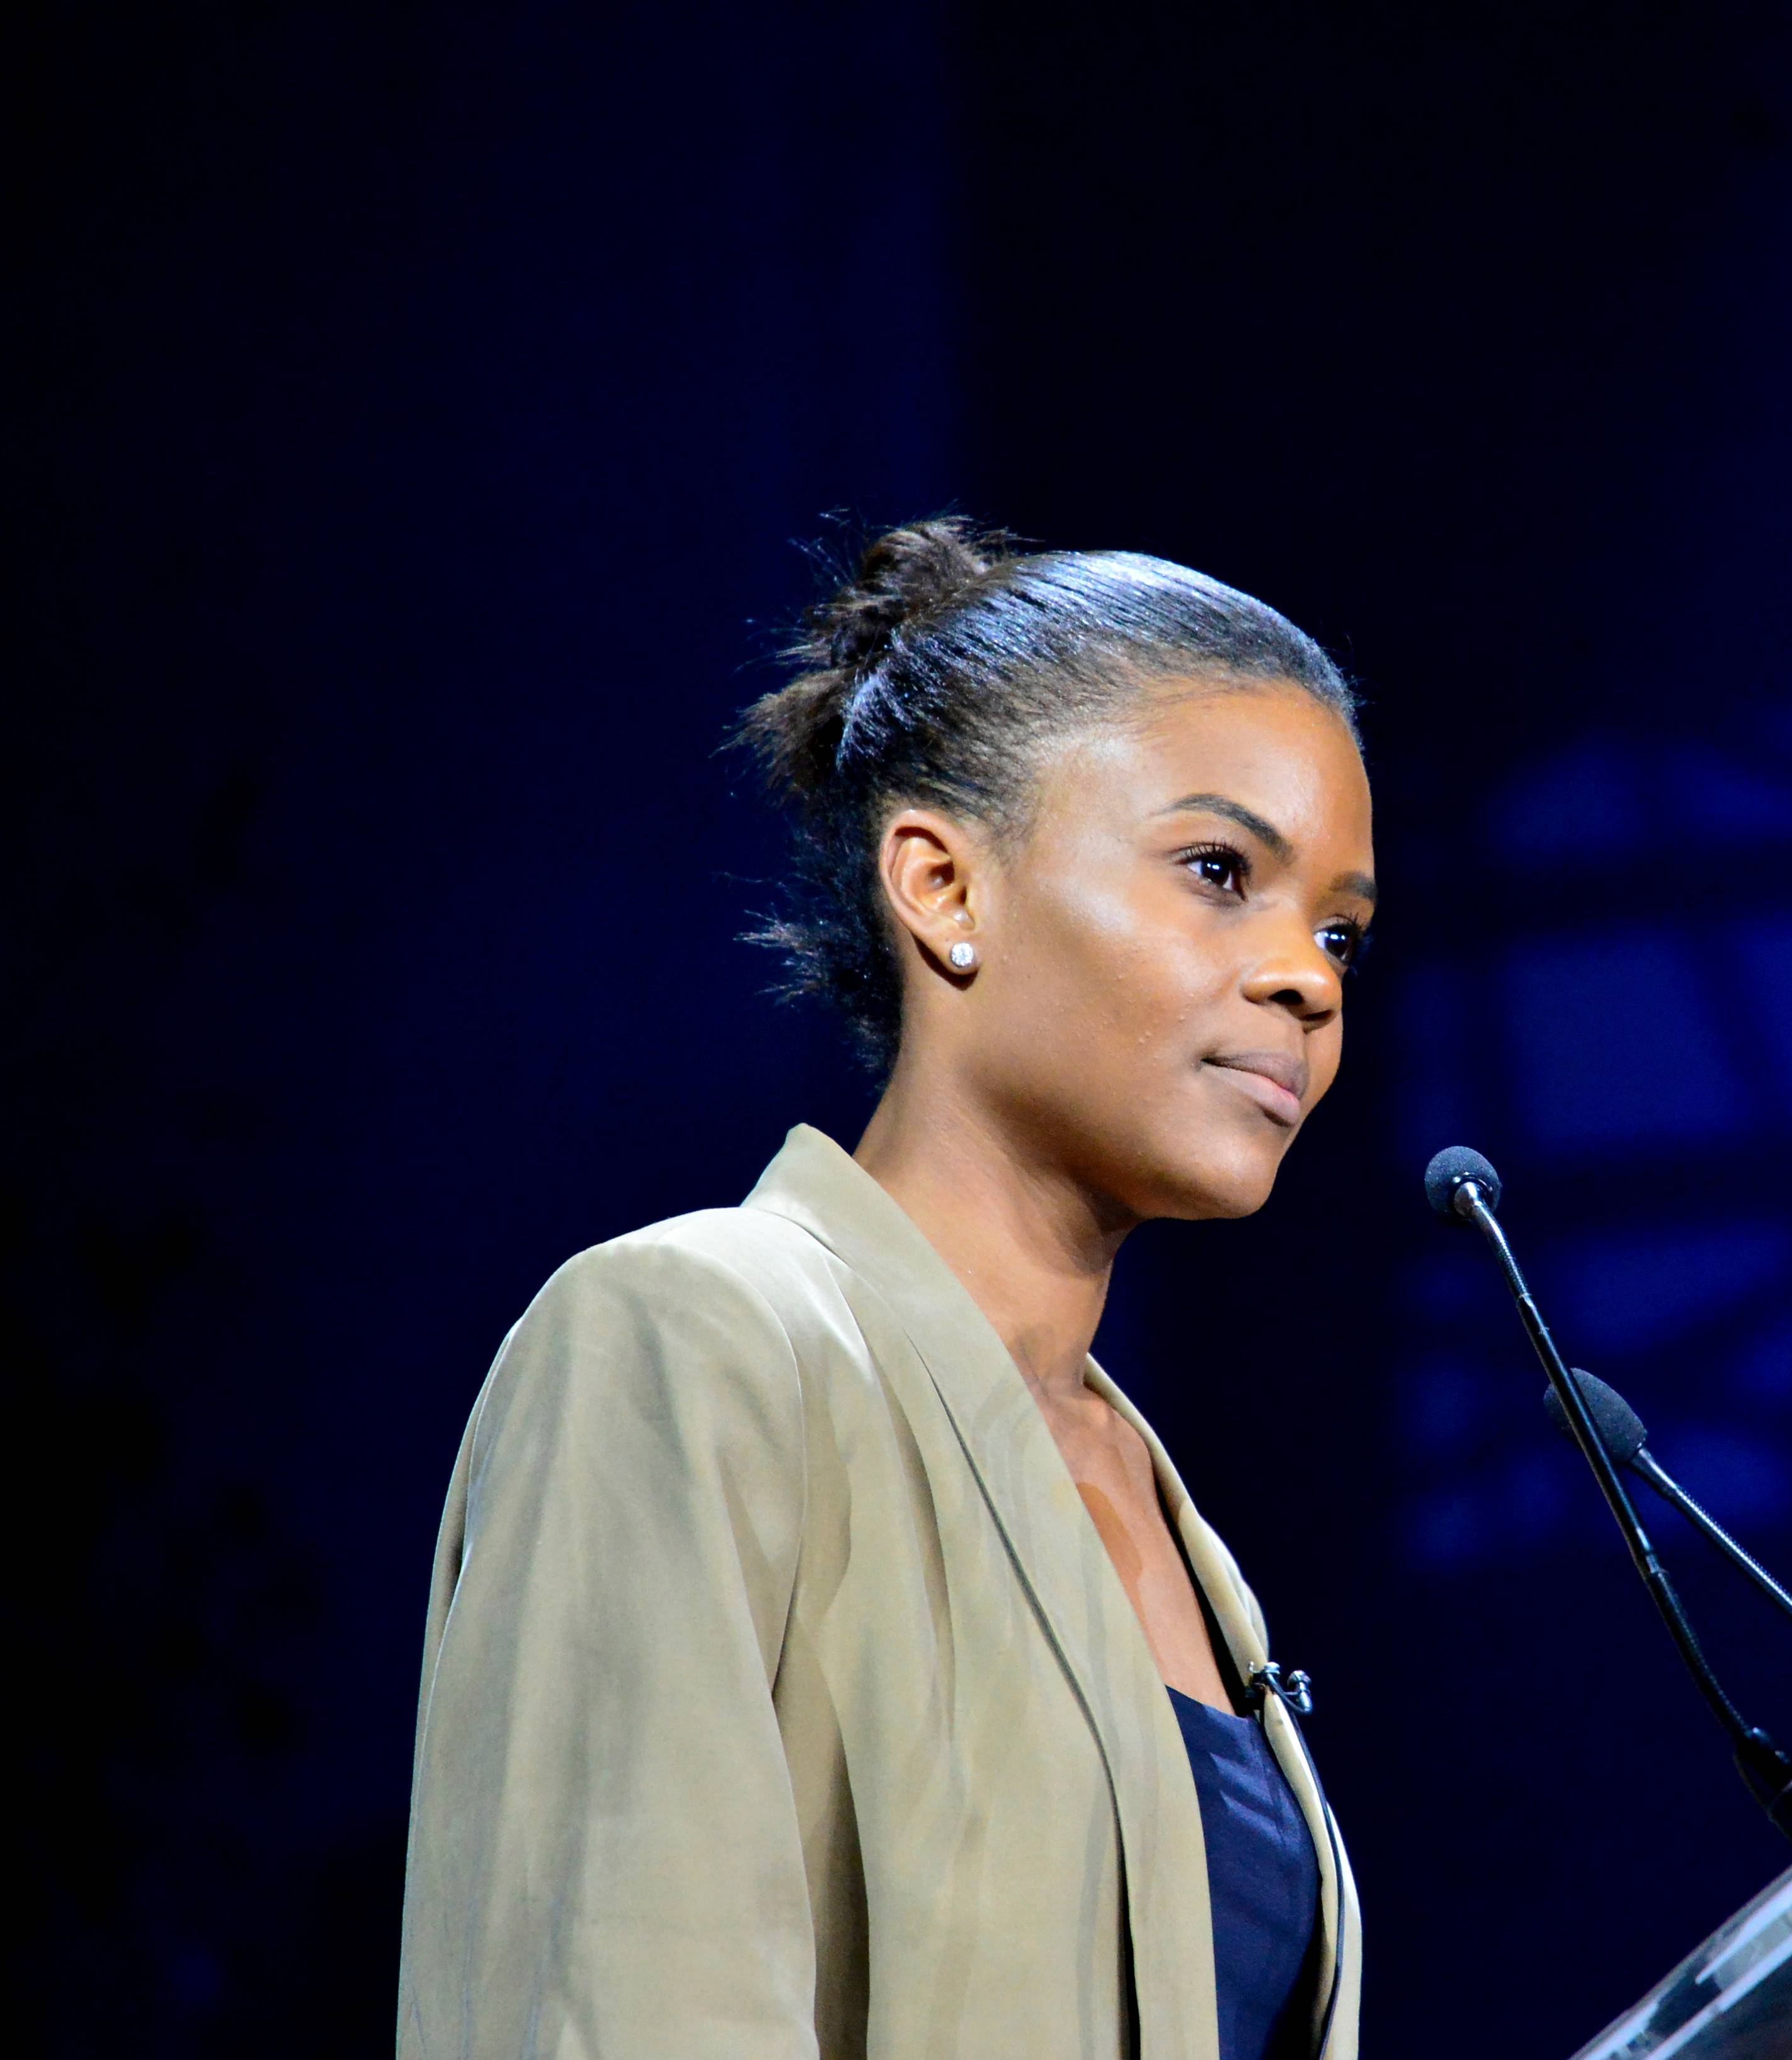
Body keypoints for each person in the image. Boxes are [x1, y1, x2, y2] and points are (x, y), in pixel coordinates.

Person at [397, 521, 1374, 2060]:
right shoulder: (694, 1339)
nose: (1308, 976)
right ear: (939, 883)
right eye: (1217, 871)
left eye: (1336, 929)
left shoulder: (1178, 1525)